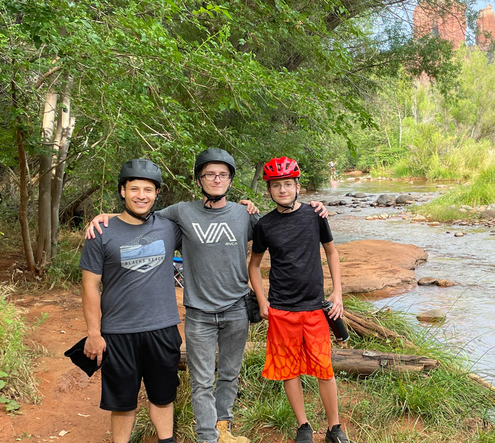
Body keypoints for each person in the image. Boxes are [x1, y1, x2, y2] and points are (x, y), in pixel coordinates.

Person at [87, 148, 327, 443]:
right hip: (199, 312)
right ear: (199, 179)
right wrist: (107, 217)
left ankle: (223, 430)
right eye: (209, 174)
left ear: (230, 179)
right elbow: (140, 215)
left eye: (222, 174)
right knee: (201, 380)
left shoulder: (244, 214)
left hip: (237, 309)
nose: (216, 179)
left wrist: (313, 208)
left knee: (228, 374)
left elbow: (279, 225)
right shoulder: (181, 212)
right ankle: (207, 437)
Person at [248, 156, 353, 443]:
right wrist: (262, 300)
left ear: (297, 186)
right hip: (282, 309)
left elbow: (331, 252)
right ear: (269, 190)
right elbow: (254, 265)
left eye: (288, 184)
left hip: (314, 308)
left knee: (324, 368)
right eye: (276, 185)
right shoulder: (265, 225)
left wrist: (337, 292)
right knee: (288, 370)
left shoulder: (315, 215)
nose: (282, 190)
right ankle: (303, 425)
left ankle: (334, 427)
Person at [80, 159, 183, 443]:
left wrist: (246, 205)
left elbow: (207, 216)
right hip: (118, 332)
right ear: (122, 191)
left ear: (157, 194)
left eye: (148, 189)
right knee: (122, 402)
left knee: (163, 397)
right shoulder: (100, 232)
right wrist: (93, 333)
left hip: (162, 328)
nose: (141, 195)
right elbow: (89, 286)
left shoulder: (168, 227)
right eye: (134, 188)